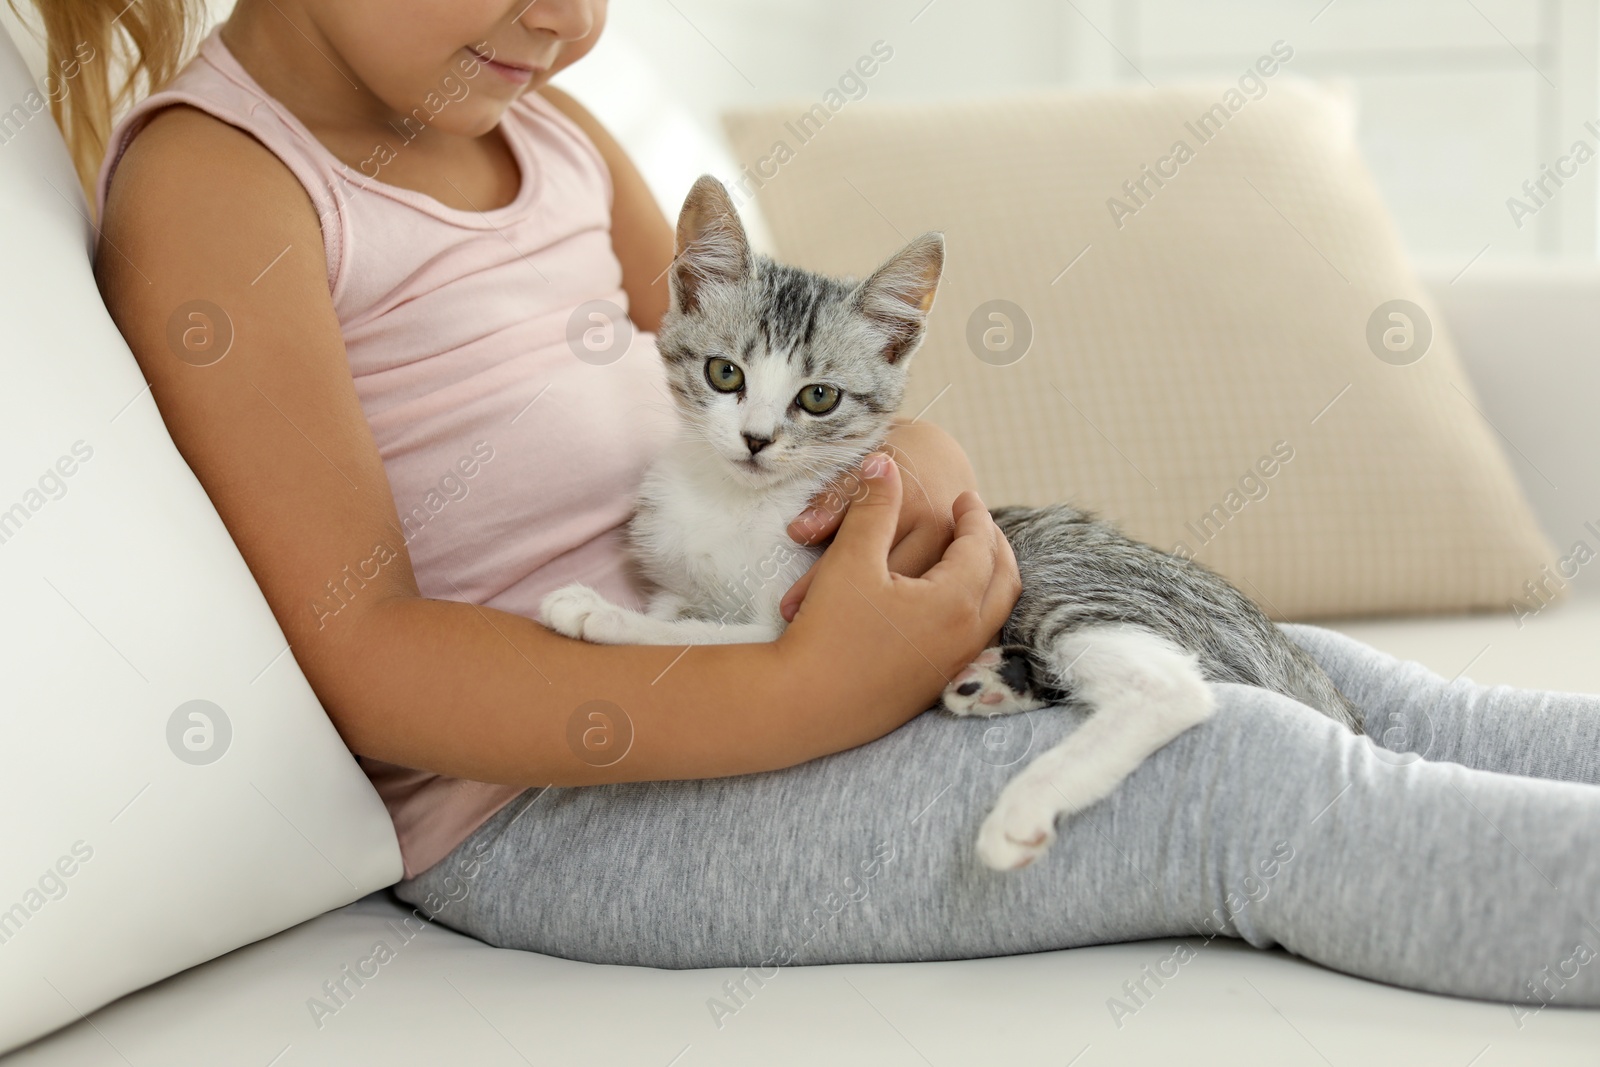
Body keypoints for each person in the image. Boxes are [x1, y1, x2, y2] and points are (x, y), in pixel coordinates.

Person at [41, 0, 1600, 1010]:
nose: (573, 22)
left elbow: (781, 401)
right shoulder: (223, 184)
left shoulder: (552, 135)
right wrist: (804, 692)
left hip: (772, 641)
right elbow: (367, 656)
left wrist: (912, 476)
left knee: (1333, 673)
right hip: (554, 810)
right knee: (1235, 780)